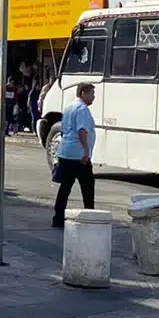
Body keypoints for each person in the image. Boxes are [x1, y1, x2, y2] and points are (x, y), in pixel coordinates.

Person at [52, 83, 98, 228]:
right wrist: (86, 152)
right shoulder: (82, 109)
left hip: (66, 152)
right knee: (88, 186)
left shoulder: (69, 107)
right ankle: (90, 215)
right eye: (92, 94)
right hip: (78, 155)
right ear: (83, 93)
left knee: (65, 187)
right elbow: (82, 131)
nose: (94, 97)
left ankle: (58, 218)